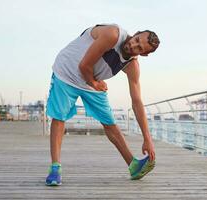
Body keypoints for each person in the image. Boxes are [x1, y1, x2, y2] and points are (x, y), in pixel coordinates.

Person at [45, 23, 160, 186]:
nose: (133, 45)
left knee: (110, 123)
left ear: (144, 54)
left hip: (91, 80)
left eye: (139, 48)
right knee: (60, 117)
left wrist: (147, 139)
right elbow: (83, 65)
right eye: (136, 39)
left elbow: (137, 102)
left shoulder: (132, 65)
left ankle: (133, 166)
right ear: (136, 33)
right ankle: (55, 168)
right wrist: (94, 83)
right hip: (68, 72)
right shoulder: (113, 34)